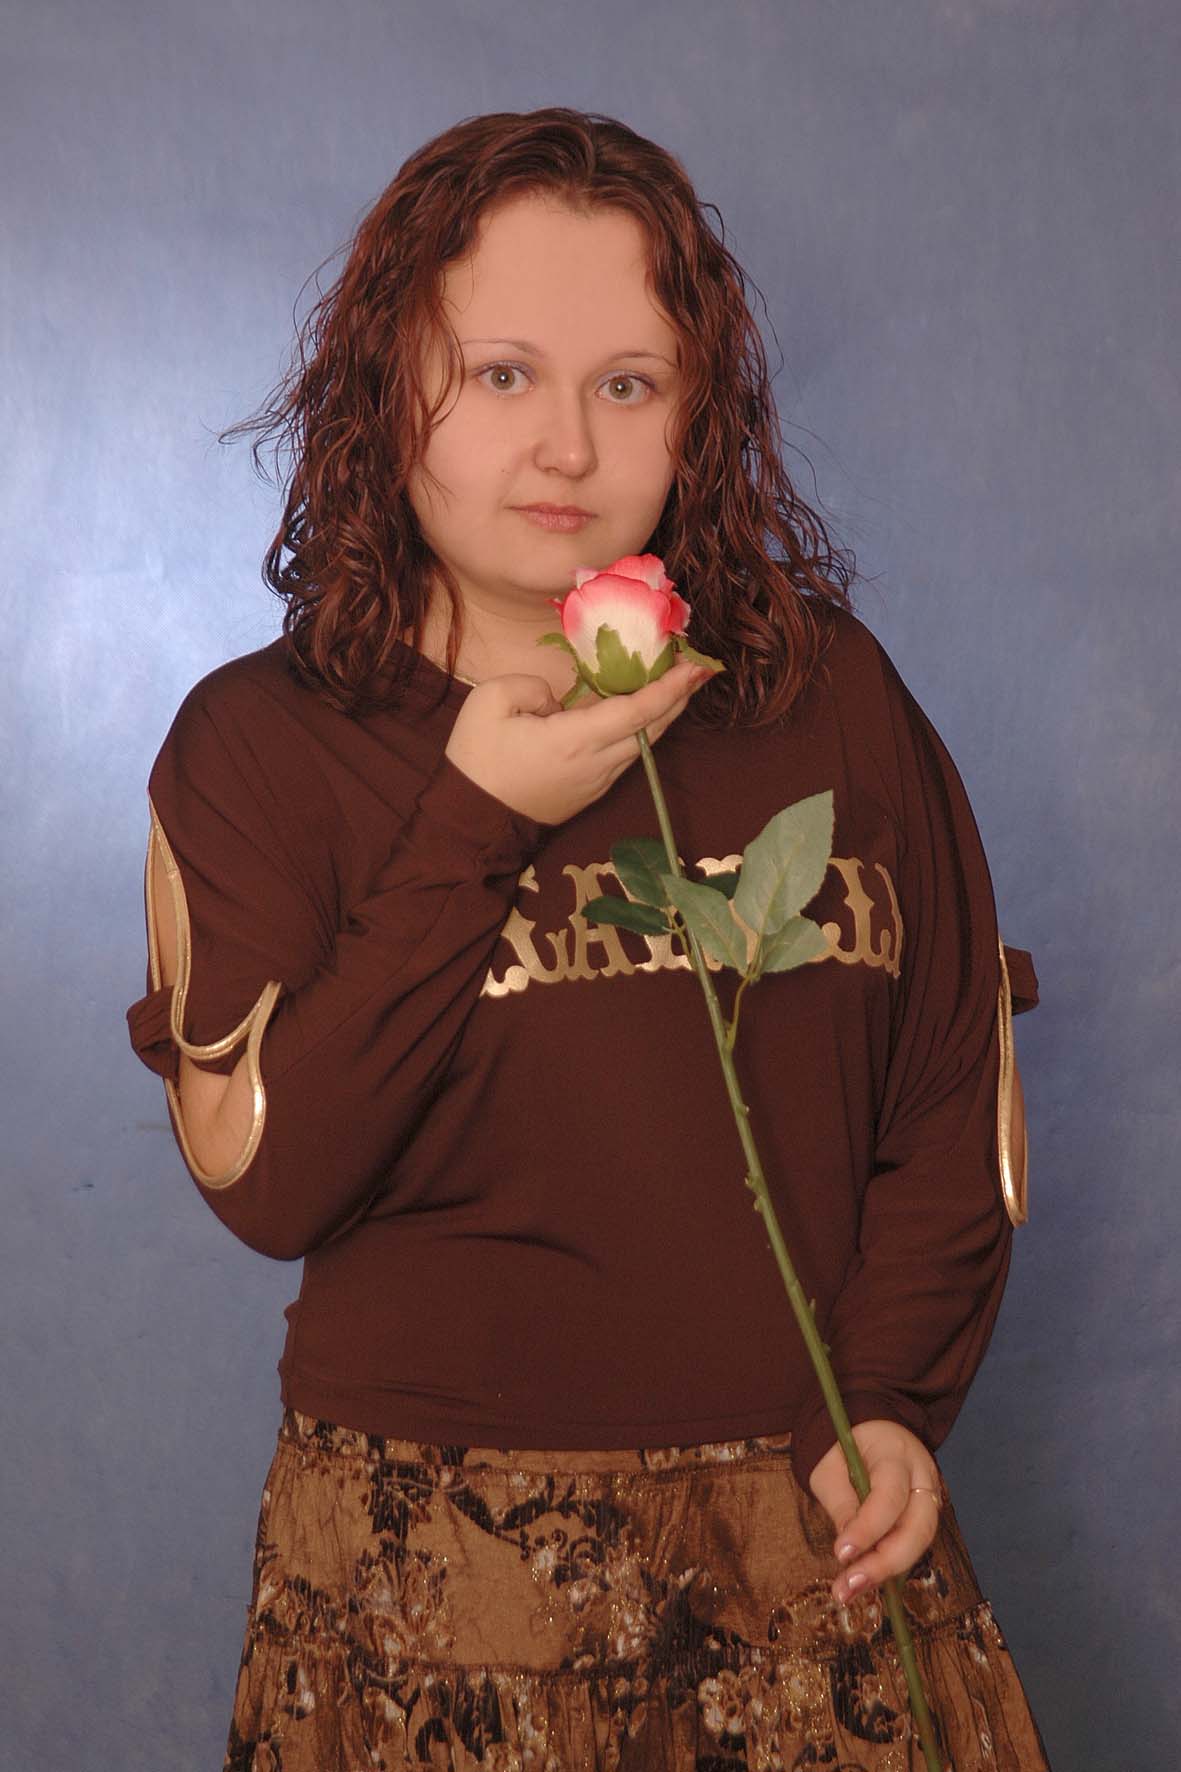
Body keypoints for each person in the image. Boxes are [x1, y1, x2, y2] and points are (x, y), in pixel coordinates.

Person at [126, 107, 1049, 1771]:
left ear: (697, 413)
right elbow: (272, 1182)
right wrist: (474, 814)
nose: (565, 446)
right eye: (500, 375)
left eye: (627, 384)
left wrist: (888, 1398)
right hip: (437, 1573)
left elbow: (943, 1089)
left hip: (815, 1534)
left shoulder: (824, 694)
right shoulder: (260, 746)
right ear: (384, 388)